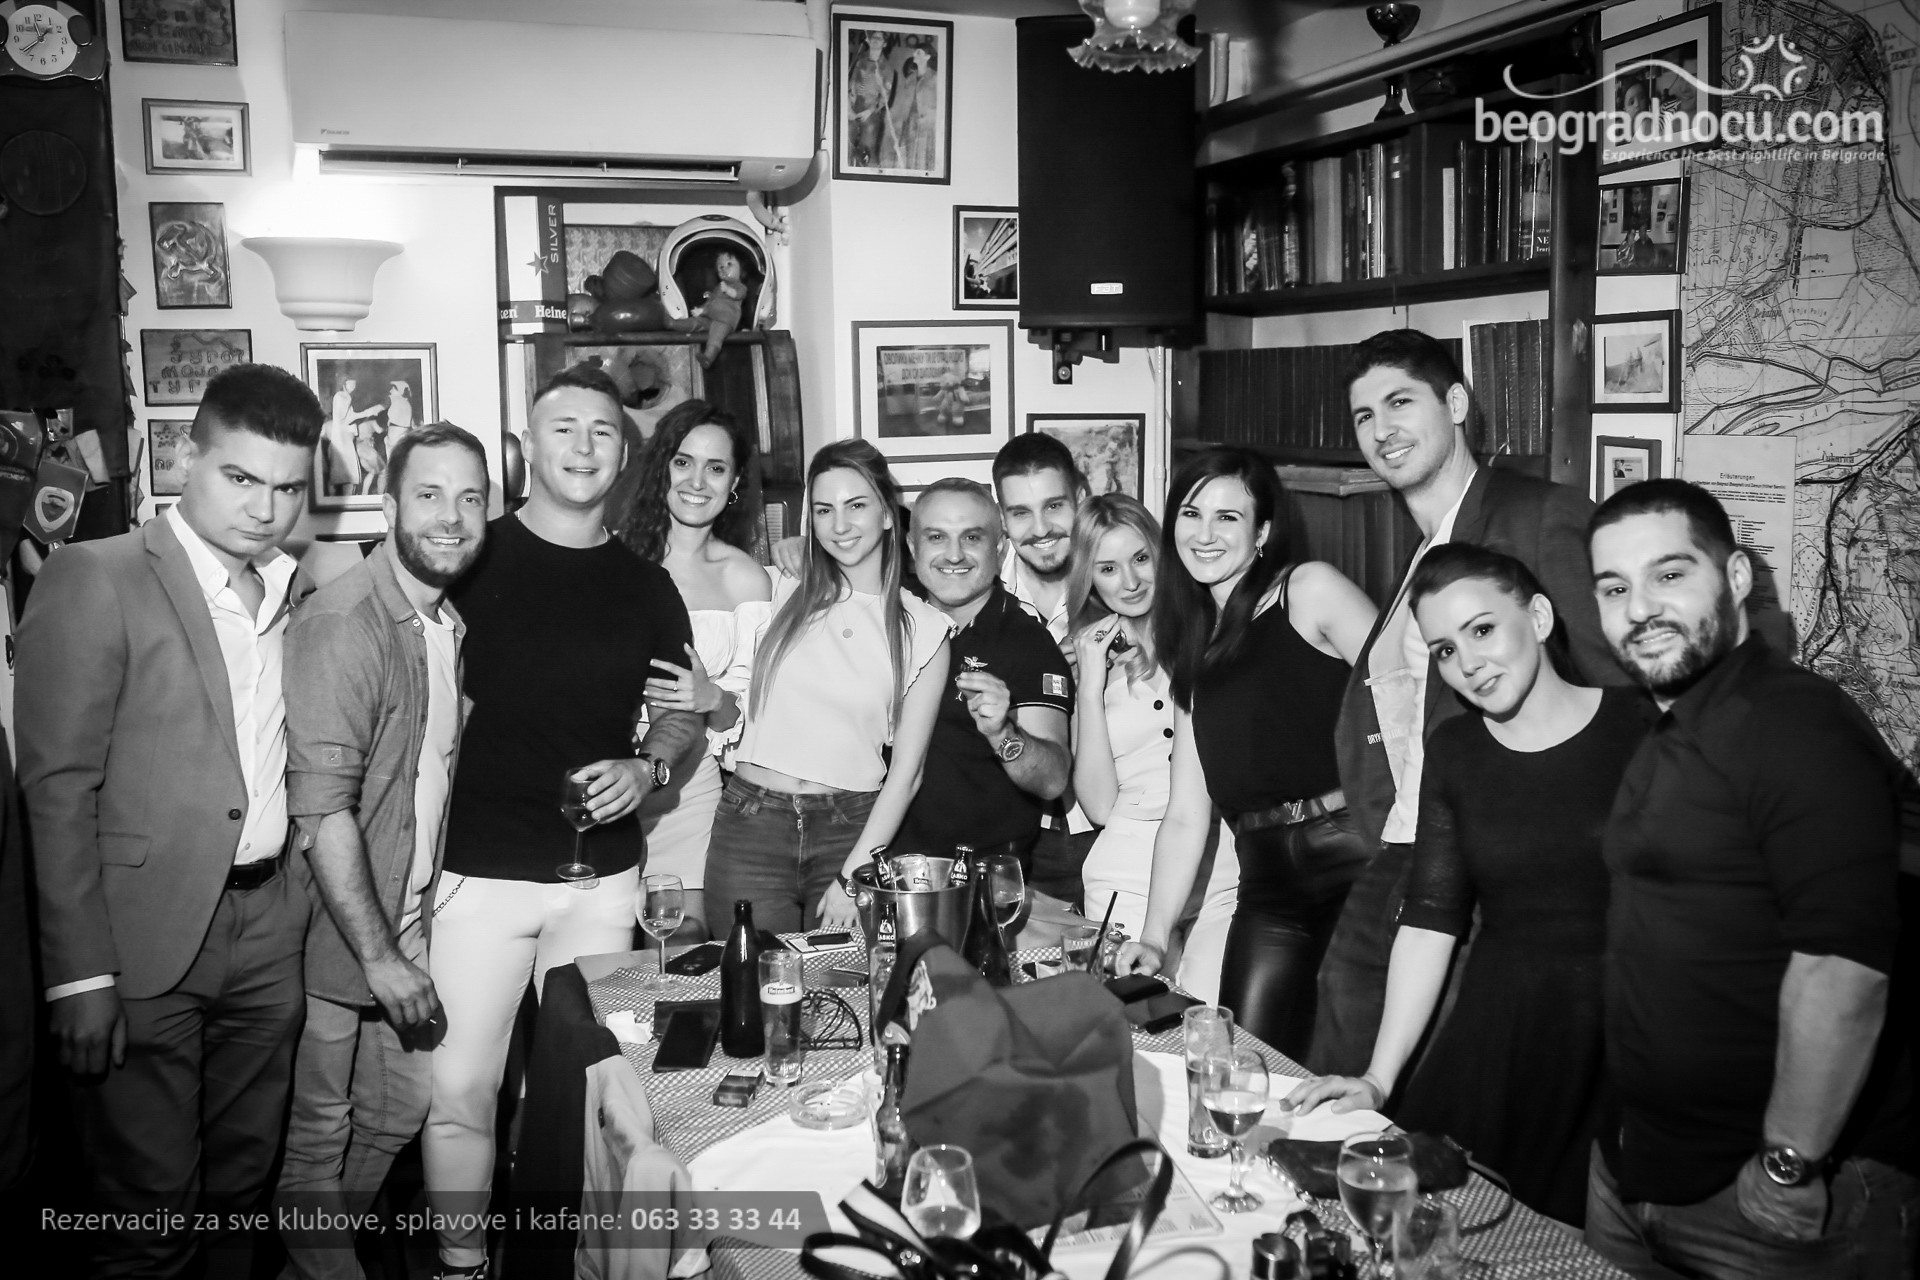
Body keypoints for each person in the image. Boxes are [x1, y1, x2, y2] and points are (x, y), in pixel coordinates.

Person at [16, 363, 325, 1277]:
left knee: (241, 1191)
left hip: (270, 933)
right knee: (149, 1212)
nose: (265, 509)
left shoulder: (299, 591)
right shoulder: (94, 575)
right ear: (189, 457)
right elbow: (57, 789)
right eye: (241, 477)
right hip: (139, 939)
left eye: (288, 488)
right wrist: (78, 977)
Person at [1582, 480, 1917, 1275]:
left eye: (1670, 574)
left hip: (1761, 1198)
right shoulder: (1671, 722)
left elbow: (1843, 968)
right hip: (1642, 1168)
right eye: (1614, 588)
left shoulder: (1793, 723)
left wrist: (1787, 1164)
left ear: (1734, 578)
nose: (1640, 608)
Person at [423, 366, 705, 1280]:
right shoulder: (468, 562)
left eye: (602, 432)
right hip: (476, 874)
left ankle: (554, 1264)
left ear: (624, 458)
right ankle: (462, 1262)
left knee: (587, 1092)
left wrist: (647, 765)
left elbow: (682, 712)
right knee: (460, 1088)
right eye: (563, 428)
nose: (583, 447)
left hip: (601, 884)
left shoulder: (647, 586)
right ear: (528, 448)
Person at [1284, 544, 1647, 1226]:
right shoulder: (1457, 750)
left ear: (1538, 617)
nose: (1469, 662)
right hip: (1499, 1040)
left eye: (1482, 629)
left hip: (1621, 1045)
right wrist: (1378, 1078)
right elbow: (1430, 920)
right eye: (1446, 650)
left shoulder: (1642, 726)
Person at [1314, 328, 1628, 1078]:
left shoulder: (1538, 517)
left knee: (1428, 1085)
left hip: (1497, 865)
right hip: (1407, 846)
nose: (1381, 430)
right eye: (1364, 416)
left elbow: (1615, 698)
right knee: (1340, 1056)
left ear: (1456, 404)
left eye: (1400, 402)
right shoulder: (1425, 553)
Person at [276, 423, 490, 1280]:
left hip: (405, 916)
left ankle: (309, 1261)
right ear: (390, 505)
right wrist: (378, 955)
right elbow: (321, 808)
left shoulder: (443, 621)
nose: (451, 516)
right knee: (316, 1136)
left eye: (470, 497)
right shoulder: (346, 620)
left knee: (399, 1106)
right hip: (339, 929)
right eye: (429, 495)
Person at [1117, 448, 1377, 1058]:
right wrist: (1153, 937)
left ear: (1262, 532)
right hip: (1266, 881)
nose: (1204, 534)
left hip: (1356, 857)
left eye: (1227, 517)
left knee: (1352, 1061)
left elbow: (1408, 699)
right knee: (1248, 1062)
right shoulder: (1191, 647)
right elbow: (1187, 813)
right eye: (1191, 514)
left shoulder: (1308, 591)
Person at [709, 439, 951, 933]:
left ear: (887, 514)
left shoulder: (924, 629)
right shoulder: (780, 586)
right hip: (751, 826)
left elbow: (907, 775)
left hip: (850, 833)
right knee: (750, 976)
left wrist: (853, 875)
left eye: (856, 505)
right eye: (824, 510)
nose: (839, 525)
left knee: (843, 982)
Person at [1068, 494, 1238, 1002]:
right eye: (1108, 568)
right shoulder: (1087, 662)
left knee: (1216, 1015)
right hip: (1127, 869)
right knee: (1142, 1023)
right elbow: (1099, 806)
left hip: (1222, 861)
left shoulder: (1215, 635)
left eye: (1141, 558)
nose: (1131, 581)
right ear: (1090, 580)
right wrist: (1090, 685)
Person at [618, 401, 773, 938]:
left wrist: (712, 699)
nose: (697, 481)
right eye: (683, 462)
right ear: (661, 466)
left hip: (690, 787)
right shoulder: (614, 560)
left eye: (716, 467)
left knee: (682, 947)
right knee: (604, 950)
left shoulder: (746, 579)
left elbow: (745, 718)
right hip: (607, 776)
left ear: (735, 483)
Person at [893, 478, 1072, 872]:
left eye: (972, 537)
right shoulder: (890, 624)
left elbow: (1052, 780)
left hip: (979, 879)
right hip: (880, 868)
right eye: (936, 537)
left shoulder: (1028, 642)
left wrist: (1001, 732)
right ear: (912, 547)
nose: (954, 554)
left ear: (1000, 547)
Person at [992, 434, 1098, 906]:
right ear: (1002, 518)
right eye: (1021, 513)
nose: (1041, 529)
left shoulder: (1123, 582)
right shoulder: (980, 592)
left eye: (1054, 506)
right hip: (1013, 831)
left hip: (1111, 825)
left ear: (1081, 498)